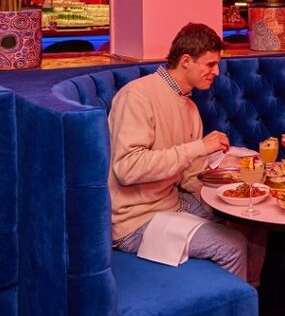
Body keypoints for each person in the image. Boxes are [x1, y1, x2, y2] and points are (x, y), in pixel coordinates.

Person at [108, 22, 262, 283]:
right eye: (210, 64)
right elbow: (127, 169)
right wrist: (199, 147)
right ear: (187, 61)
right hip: (136, 220)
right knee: (233, 245)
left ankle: (249, 294)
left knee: (251, 218)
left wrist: (236, 183)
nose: (217, 72)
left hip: (173, 203)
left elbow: (191, 177)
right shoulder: (137, 96)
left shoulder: (189, 107)